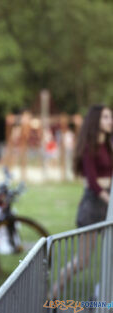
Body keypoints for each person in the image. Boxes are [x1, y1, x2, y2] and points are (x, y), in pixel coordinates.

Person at [51, 104, 112, 298]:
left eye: (110, 117)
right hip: (93, 206)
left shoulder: (108, 145)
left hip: (108, 203)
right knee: (83, 260)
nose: (110, 121)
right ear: (95, 121)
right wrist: (109, 201)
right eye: (106, 117)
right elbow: (93, 183)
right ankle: (51, 296)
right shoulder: (88, 146)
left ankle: (101, 296)